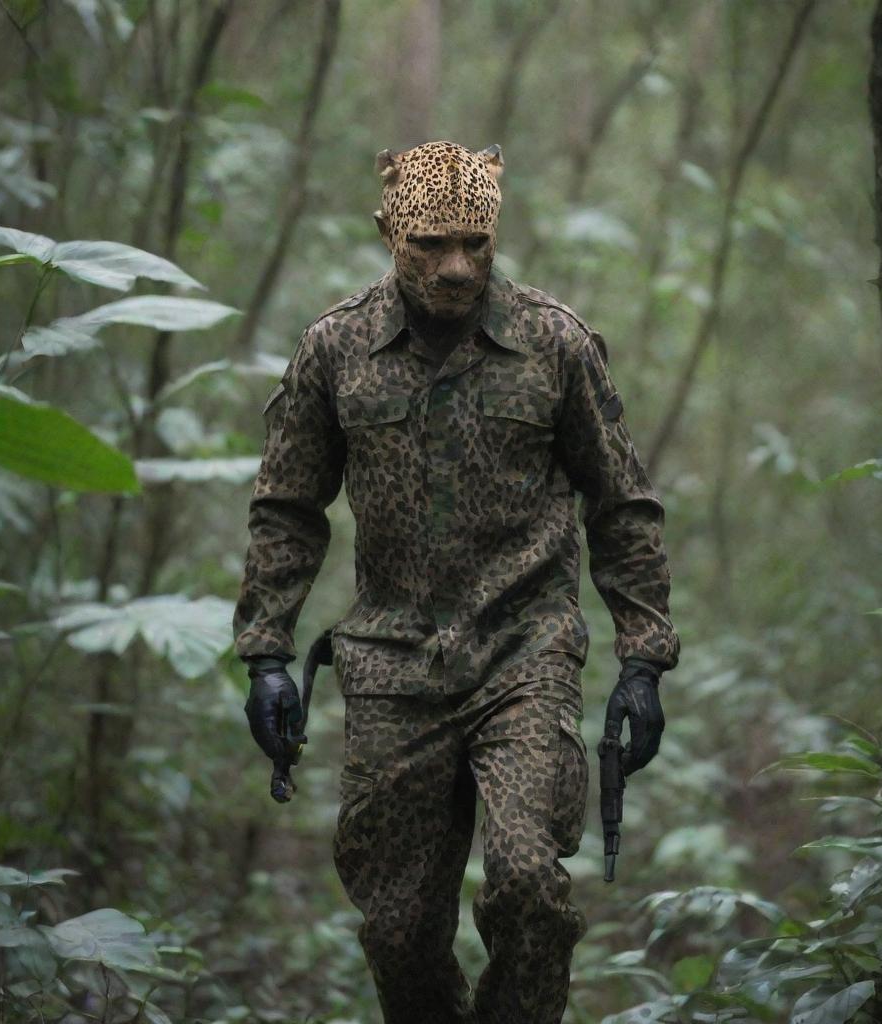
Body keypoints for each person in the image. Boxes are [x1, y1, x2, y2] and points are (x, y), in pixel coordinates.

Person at [233, 140, 681, 1024]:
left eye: (477, 243)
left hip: (526, 651)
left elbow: (621, 504)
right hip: (393, 664)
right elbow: (287, 506)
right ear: (388, 232)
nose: (457, 266)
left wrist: (643, 660)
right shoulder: (335, 349)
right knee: (398, 929)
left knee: (526, 886)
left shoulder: (553, 343)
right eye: (432, 243)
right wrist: (266, 654)